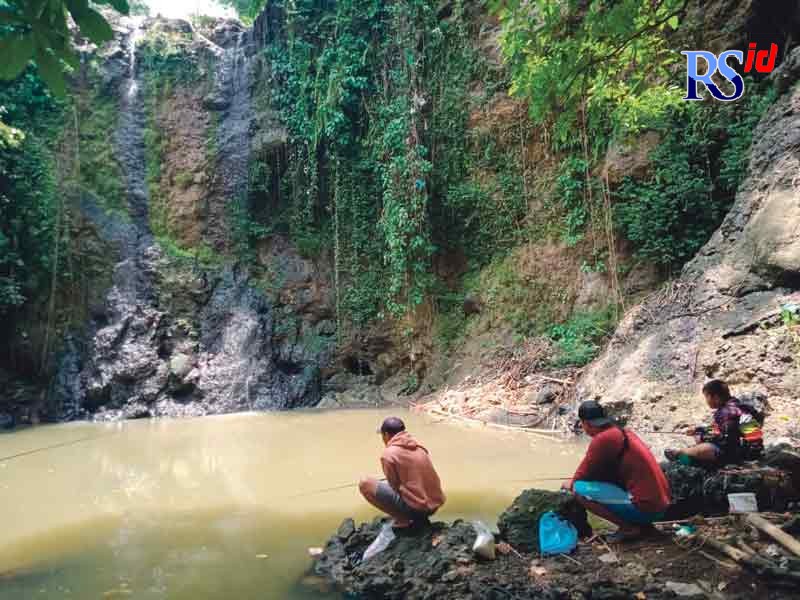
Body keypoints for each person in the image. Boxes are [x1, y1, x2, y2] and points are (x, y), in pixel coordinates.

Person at [563, 400, 671, 542]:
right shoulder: (623, 432)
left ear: (585, 424)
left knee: (578, 489)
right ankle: (643, 526)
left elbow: (581, 475)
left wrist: (569, 483)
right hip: (661, 506)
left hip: (647, 509)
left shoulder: (602, 439)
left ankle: (628, 528)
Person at [358, 416, 446, 529]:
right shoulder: (419, 447)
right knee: (383, 482)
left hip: (417, 510)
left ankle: (402, 519)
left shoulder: (388, 454)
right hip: (433, 508)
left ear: (386, 435)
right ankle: (414, 515)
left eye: (382, 436)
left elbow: (394, 486)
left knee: (365, 483)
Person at [665, 379, 764, 467]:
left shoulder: (726, 412)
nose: (706, 401)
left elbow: (725, 441)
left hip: (741, 455)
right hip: (753, 450)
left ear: (715, 397)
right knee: (699, 437)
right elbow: (722, 428)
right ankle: (685, 456)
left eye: (707, 397)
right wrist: (698, 430)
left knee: (702, 450)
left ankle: (679, 455)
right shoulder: (738, 406)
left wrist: (703, 438)